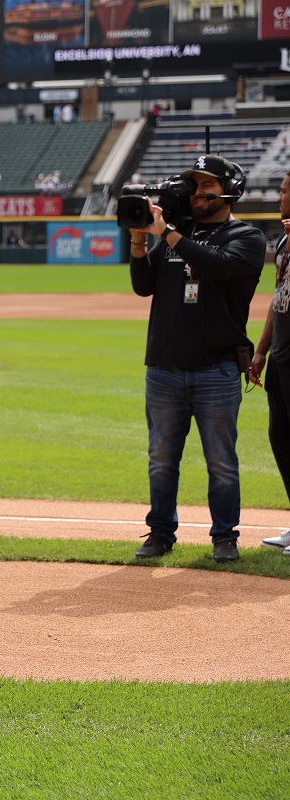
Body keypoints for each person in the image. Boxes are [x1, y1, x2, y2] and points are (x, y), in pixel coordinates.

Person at [128, 155, 265, 562]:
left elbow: (217, 267)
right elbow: (144, 286)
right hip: (165, 367)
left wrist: (167, 234)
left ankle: (225, 537)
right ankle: (160, 533)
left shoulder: (247, 237)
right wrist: (139, 240)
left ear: (228, 191)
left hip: (217, 369)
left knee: (221, 461)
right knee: (161, 459)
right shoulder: (178, 232)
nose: (196, 193)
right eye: (193, 185)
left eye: (206, 185)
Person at [247, 171, 290, 554]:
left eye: (285, 190)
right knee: (281, 436)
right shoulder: (284, 241)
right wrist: (261, 350)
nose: (279, 197)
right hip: (281, 355)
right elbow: (278, 298)